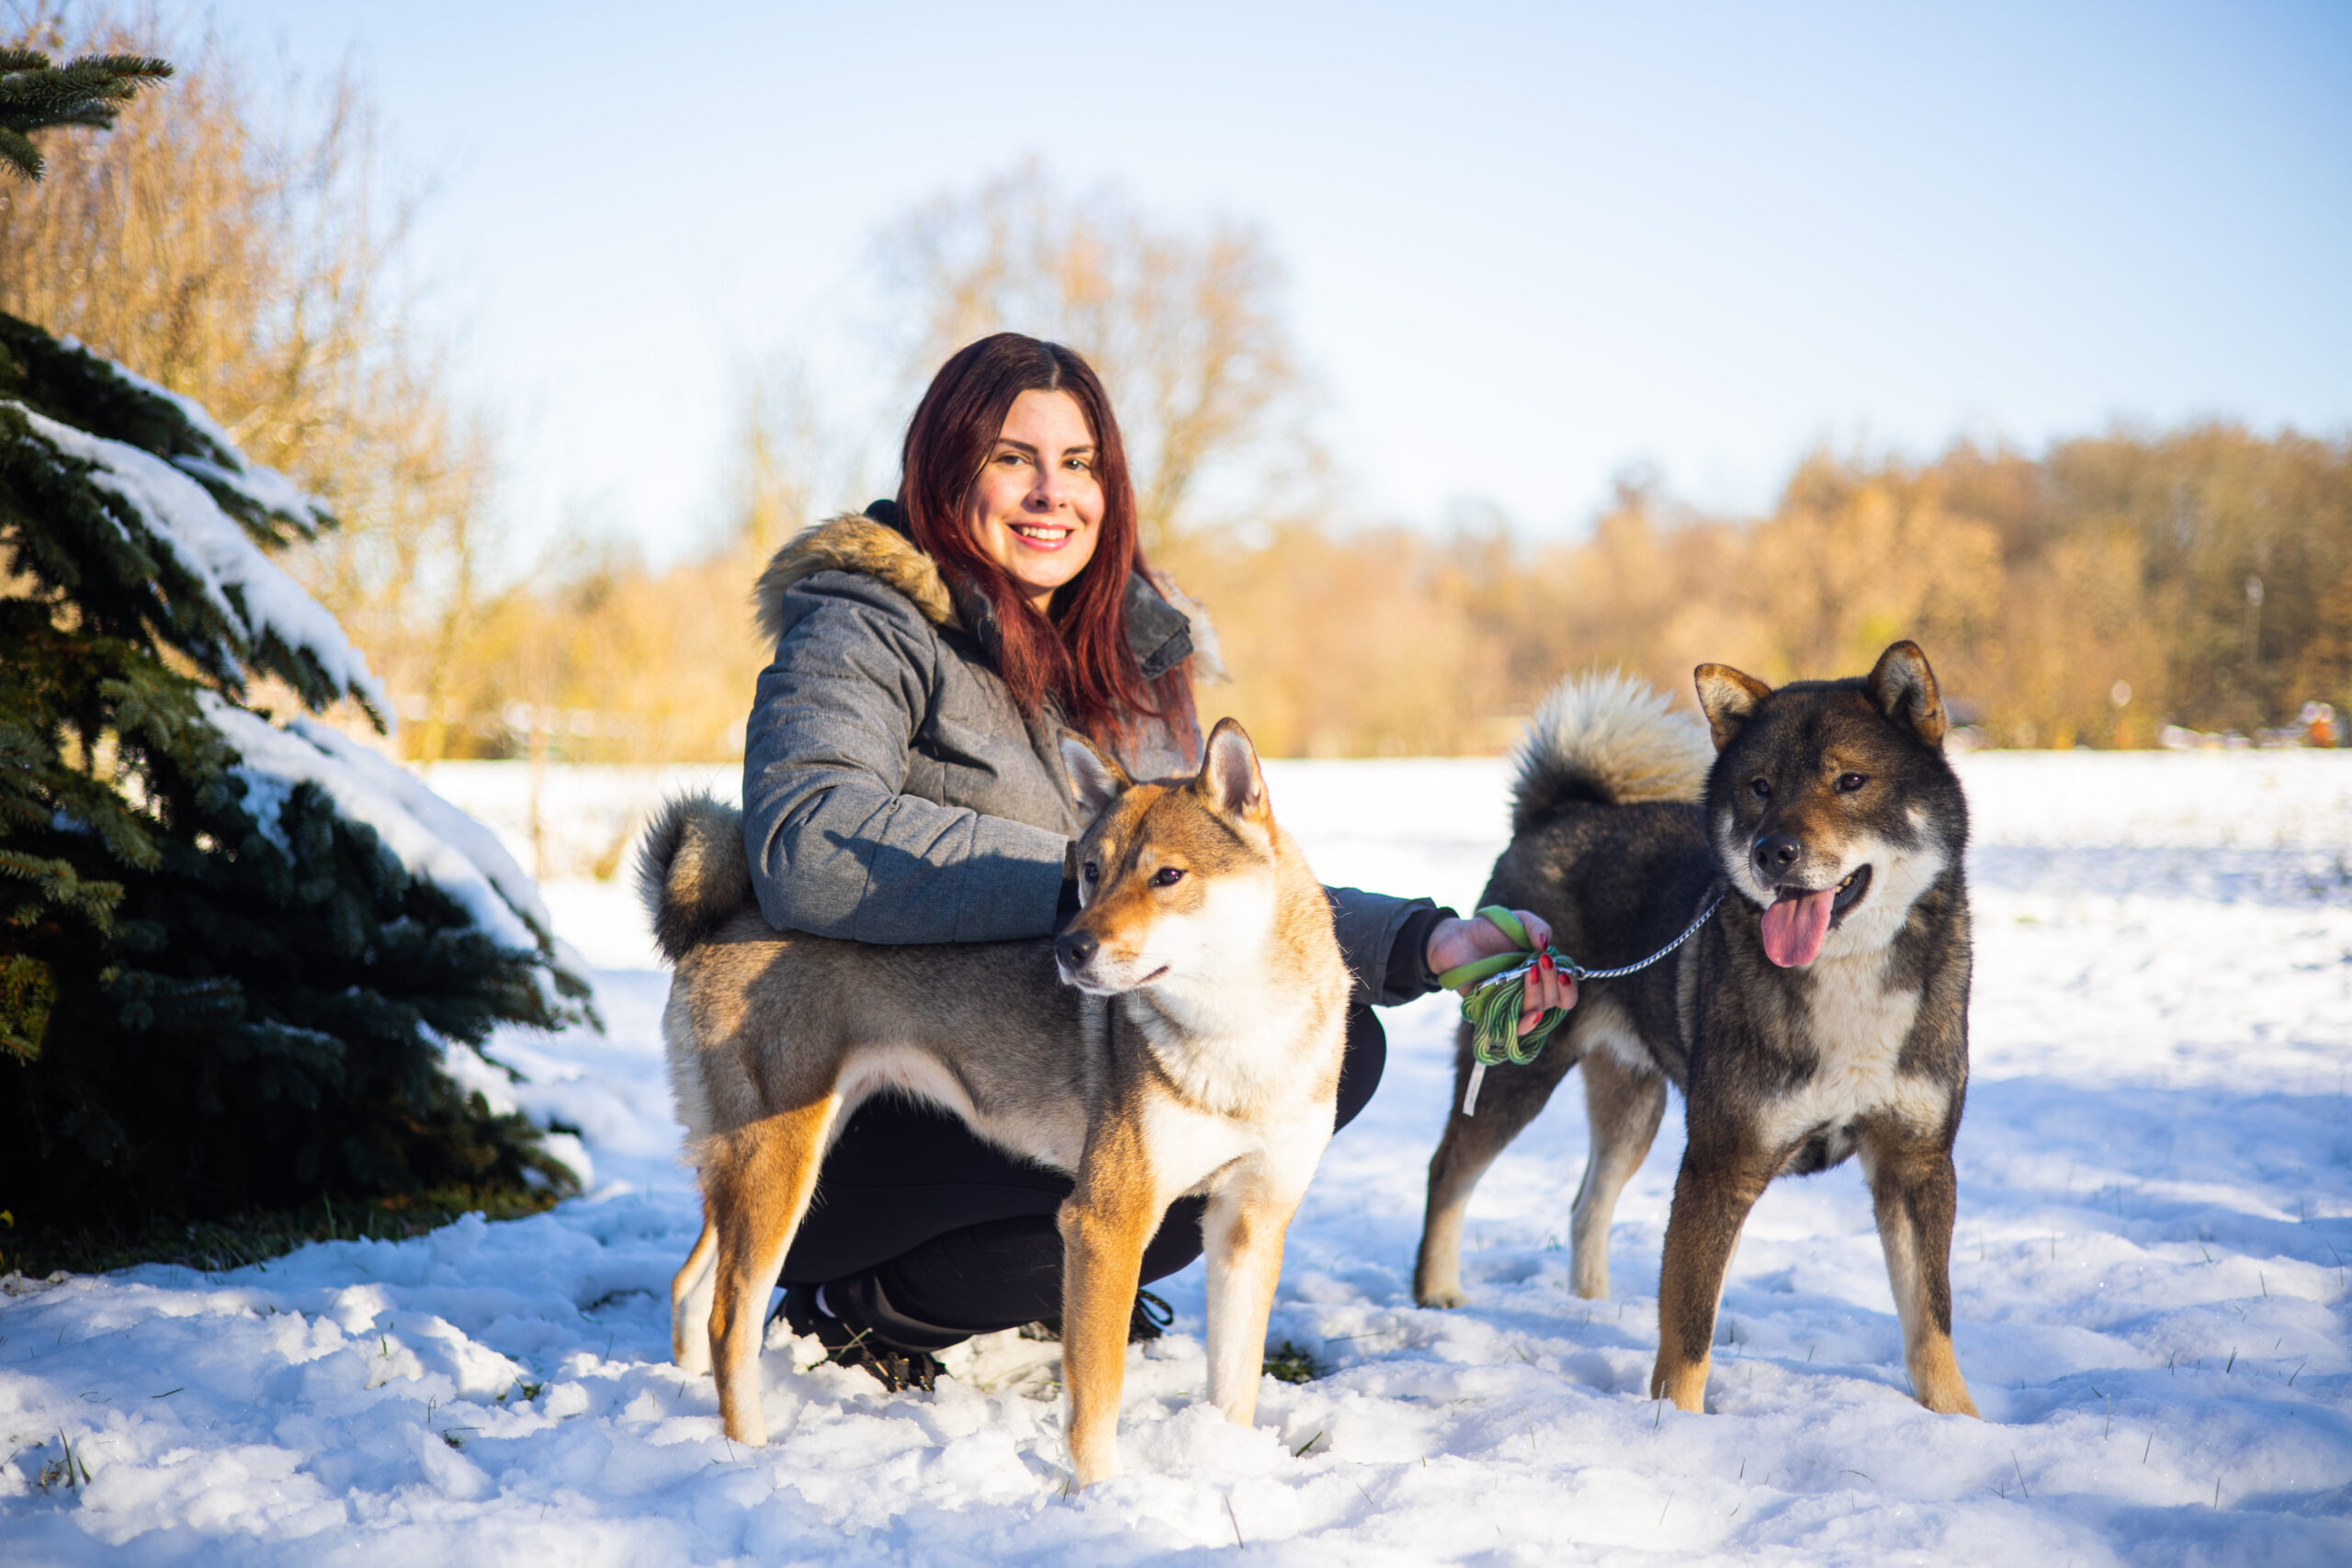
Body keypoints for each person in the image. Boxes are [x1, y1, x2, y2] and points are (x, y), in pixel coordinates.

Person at [741, 332, 1570, 1387]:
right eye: (1012, 458)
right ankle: (866, 1306)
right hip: (882, 1092)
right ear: (946, 467)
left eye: (1079, 464)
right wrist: (1089, 893)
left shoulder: (1133, 648)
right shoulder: (865, 622)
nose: (1051, 494)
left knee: (1336, 1045)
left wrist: (1422, 941)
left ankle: (1040, 1293)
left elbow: (1218, 878)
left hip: (1058, 1060)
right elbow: (803, 838)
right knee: (1151, 1184)